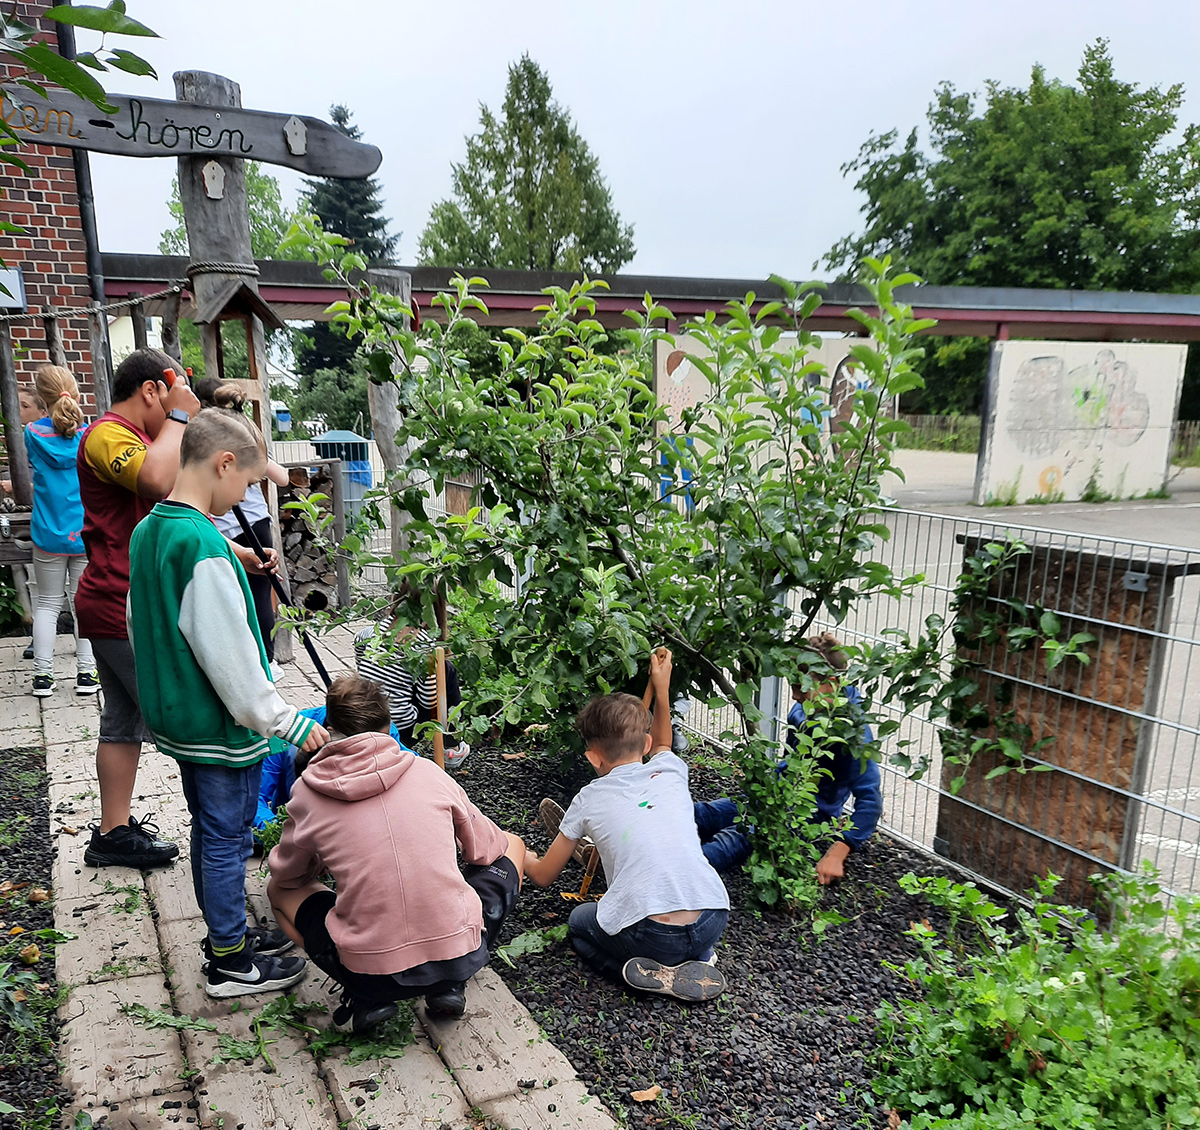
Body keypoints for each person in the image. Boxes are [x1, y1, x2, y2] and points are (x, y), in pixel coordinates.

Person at [127, 406, 327, 998]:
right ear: (223, 463)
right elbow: (231, 658)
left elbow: (140, 623)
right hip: (218, 725)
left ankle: (228, 935)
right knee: (226, 838)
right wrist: (285, 721)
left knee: (210, 831)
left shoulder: (151, 530)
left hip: (179, 716)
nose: (245, 495)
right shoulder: (201, 546)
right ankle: (232, 963)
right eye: (246, 481)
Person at [74, 349, 274, 869]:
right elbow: (160, 484)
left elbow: (176, 514)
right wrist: (183, 414)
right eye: (171, 393)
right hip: (128, 603)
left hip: (122, 599)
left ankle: (112, 831)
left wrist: (238, 553)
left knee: (122, 721)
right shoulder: (106, 434)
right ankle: (229, 831)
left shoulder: (145, 437)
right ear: (151, 390)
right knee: (200, 721)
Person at [267, 675, 525, 1033]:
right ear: (390, 726)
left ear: (329, 727)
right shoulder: (429, 773)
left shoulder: (307, 792)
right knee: (512, 844)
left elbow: (289, 876)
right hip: (458, 955)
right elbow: (485, 850)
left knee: (277, 892)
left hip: (367, 969)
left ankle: (363, 993)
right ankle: (449, 983)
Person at [524, 649, 730, 1003]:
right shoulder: (670, 771)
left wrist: (520, 853)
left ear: (591, 756)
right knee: (679, 923)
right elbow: (665, 741)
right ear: (646, 745)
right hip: (712, 917)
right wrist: (661, 688)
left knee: (578, 923)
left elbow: (543, 876)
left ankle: (640, 972)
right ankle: (699, 957)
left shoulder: (588, 798)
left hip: (653, 933)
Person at [691, 632, 882, 885]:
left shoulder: (854, 733)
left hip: (807, 816)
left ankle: (674, 874)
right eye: (792, 685)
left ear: (833, 684)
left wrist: (839, 850)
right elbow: (789, 761)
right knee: (703, 814)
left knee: (734, 839)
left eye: (800, 687)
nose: (794, 695)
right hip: (775, 798)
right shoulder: (801, 710)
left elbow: (871, 800)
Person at [194, 378, 289, 663]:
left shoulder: (200, 437)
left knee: (231, 597)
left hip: (220, 528)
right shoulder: (243, 433)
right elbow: (282, 477)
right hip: (257, 524)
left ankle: (248, 660)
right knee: (260, 593)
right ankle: (266, 660)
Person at [23, 366, 97, 697]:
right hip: (83, 533)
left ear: (42, 397)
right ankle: (86, 673)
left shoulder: (32, 433)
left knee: (47, 604)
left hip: (47, 533)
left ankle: (42, 677)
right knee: (84, 603)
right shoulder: (89, 434)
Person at [254, 706, 409, 831]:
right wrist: (279, 831)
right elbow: (253, 801)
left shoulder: (383, 731)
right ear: (332, 732)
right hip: (302, 822)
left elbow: (414, 767)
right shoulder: (285, 739)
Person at [354, 602, 470, 766]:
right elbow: (429, 701)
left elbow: (357, 643)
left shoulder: (372, 632)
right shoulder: (423, 645)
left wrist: (367, 671)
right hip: (400, 730)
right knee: (446, 670)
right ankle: (451, 746)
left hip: (362, 720)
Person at [2, 386, 46, 660]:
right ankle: (39, 639)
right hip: (28, 522)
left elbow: (53, 483)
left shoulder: (45, 442)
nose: (17, 411)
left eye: (24, 405)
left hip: (48, 520)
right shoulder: (22, 442)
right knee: (33, 582)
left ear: (42, 412)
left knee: (54, 588)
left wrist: (20, 486)